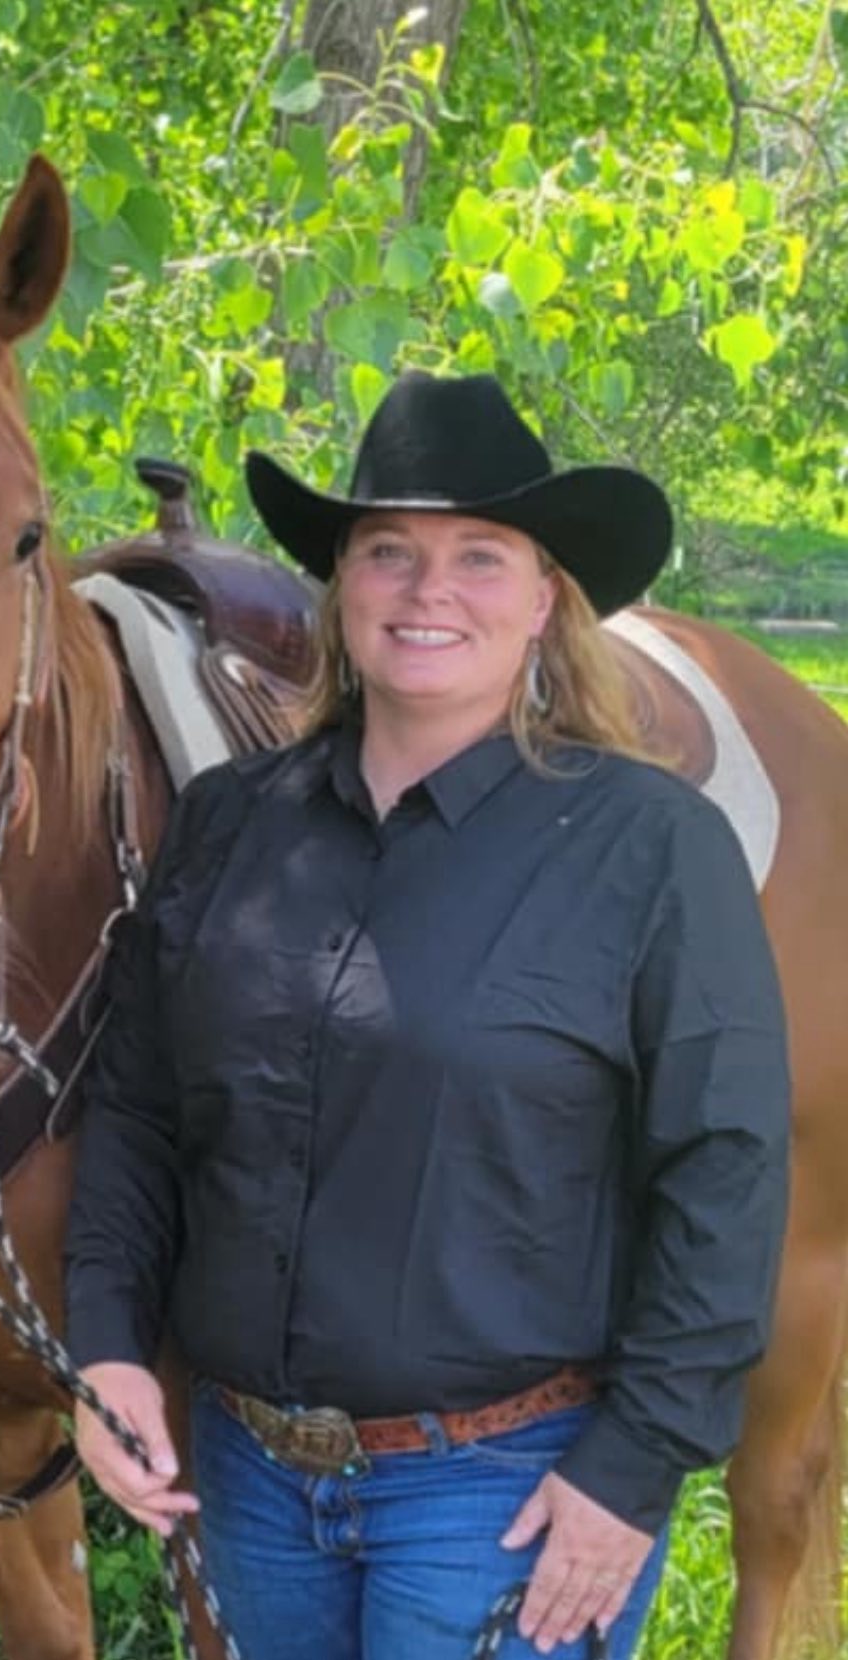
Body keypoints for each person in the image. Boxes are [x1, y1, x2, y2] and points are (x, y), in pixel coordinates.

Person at [63, 370, 789, 1659]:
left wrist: (632, 1470)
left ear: (544, 597)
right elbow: (134, 1104)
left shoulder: (650, 850)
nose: (428, 589)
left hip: (503, 1495)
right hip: (251, 1484)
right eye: (387, 551)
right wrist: (111, 1343)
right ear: (340, 590)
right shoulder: (234, 825)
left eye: (478, 555)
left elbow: (725, 1173)